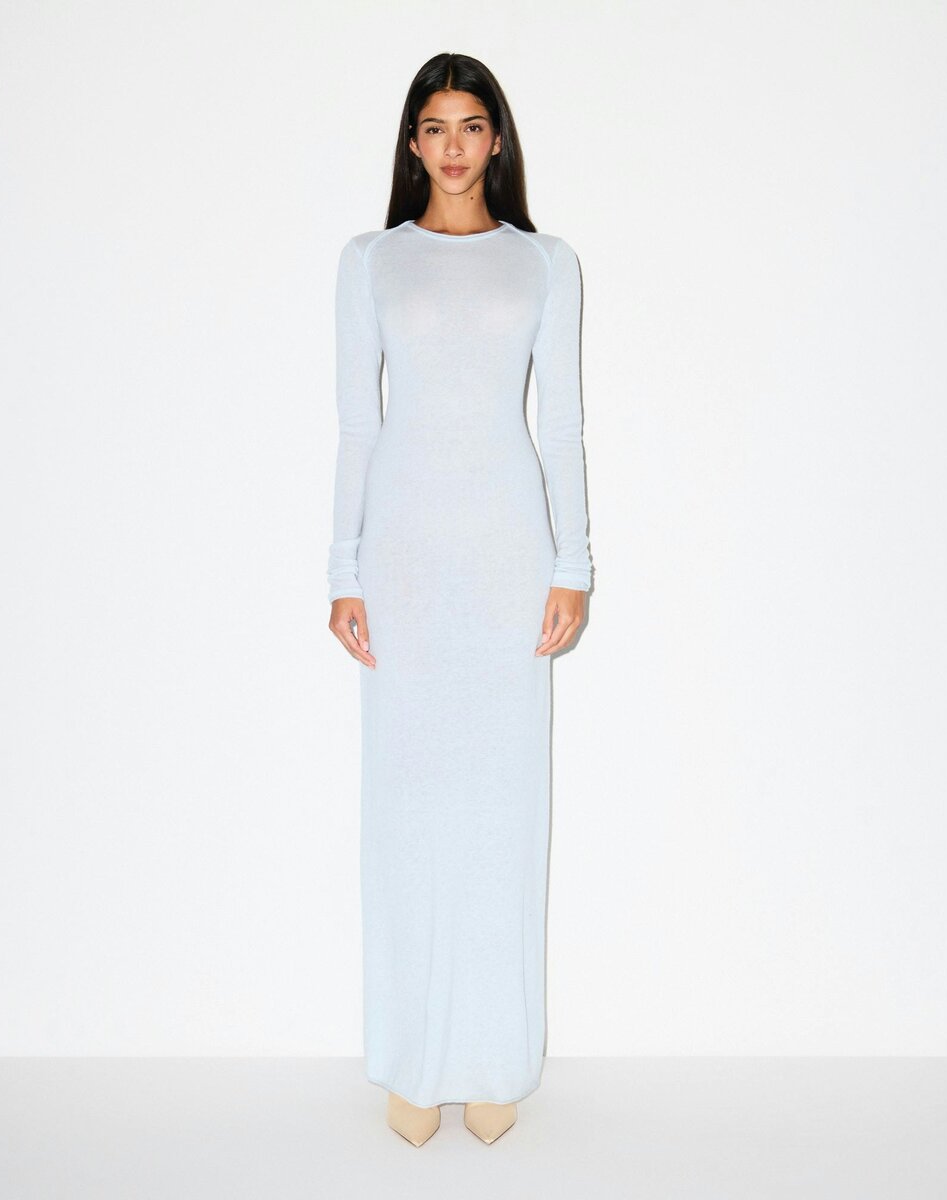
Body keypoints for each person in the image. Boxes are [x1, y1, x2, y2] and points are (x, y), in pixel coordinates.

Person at [326, 51, 593, 1147]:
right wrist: (342, 569)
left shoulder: (546, 265)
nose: (452, 146)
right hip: (402, 562)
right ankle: (410, 1060)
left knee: (501, 807)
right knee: (407, 807)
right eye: (434, 126)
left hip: (507, 562)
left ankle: (491, 1061)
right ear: (412, 142)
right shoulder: (370, 262)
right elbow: (358, 424)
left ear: (496, 140)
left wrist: (573, 563)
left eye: (470, 126)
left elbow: (561, 427)